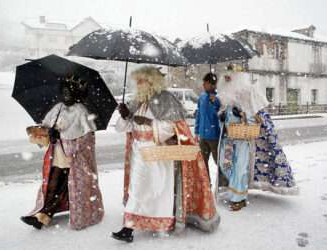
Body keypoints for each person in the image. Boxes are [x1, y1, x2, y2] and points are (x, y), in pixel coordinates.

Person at [112, 66, 220, 243]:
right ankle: (128, 227)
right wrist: (124, 115)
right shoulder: (137, 102)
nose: (139, 85)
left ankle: (160, 222)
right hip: (139, 153)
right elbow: (124, 128)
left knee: (157, 190)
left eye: (142, 81)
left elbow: (172, 128)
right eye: (137, 81)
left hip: (158, 154)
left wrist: (148, 122)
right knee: (137, 189)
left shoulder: (165, 99)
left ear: (152, 82)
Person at [21, 79, 104, 230]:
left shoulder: (81, 111)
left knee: (67, 187)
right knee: (53, 186)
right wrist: (45, 131)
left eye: (69, 91)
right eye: (64, 91)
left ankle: (45, 216)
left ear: (75, 93)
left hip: (74, 160)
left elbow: (88, 138)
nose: (66, 95)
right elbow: (46, 126)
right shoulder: (58, 108)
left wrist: (62, 136)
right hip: (57, 156)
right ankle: (41, 216)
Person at [217, 64, 298, 211]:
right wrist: (222, 115)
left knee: (240, 167)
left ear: (238, 78)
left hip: (244, 139)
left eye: (230, 75)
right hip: (229, 138)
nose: (227, 78)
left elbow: (258, 117)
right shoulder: (227, 95)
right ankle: (234, 191)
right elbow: (223, 114)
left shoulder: (250, 92)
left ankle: (239, 198)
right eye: (226, 75)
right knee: (225, 164)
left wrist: (242, 115)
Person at [195, 72, 227, 186]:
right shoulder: (202, 97)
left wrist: (214, 104)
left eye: (206, 83)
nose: (203, 85)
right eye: (203, 83)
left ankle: (223, 184)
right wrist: (196, 131)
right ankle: (206, 184)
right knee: (203, 162)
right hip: (203, 136)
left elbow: (221, 116)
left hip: (214, 136)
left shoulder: (219, 99)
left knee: (218, 161)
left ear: (213, 85)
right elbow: (199, 115)